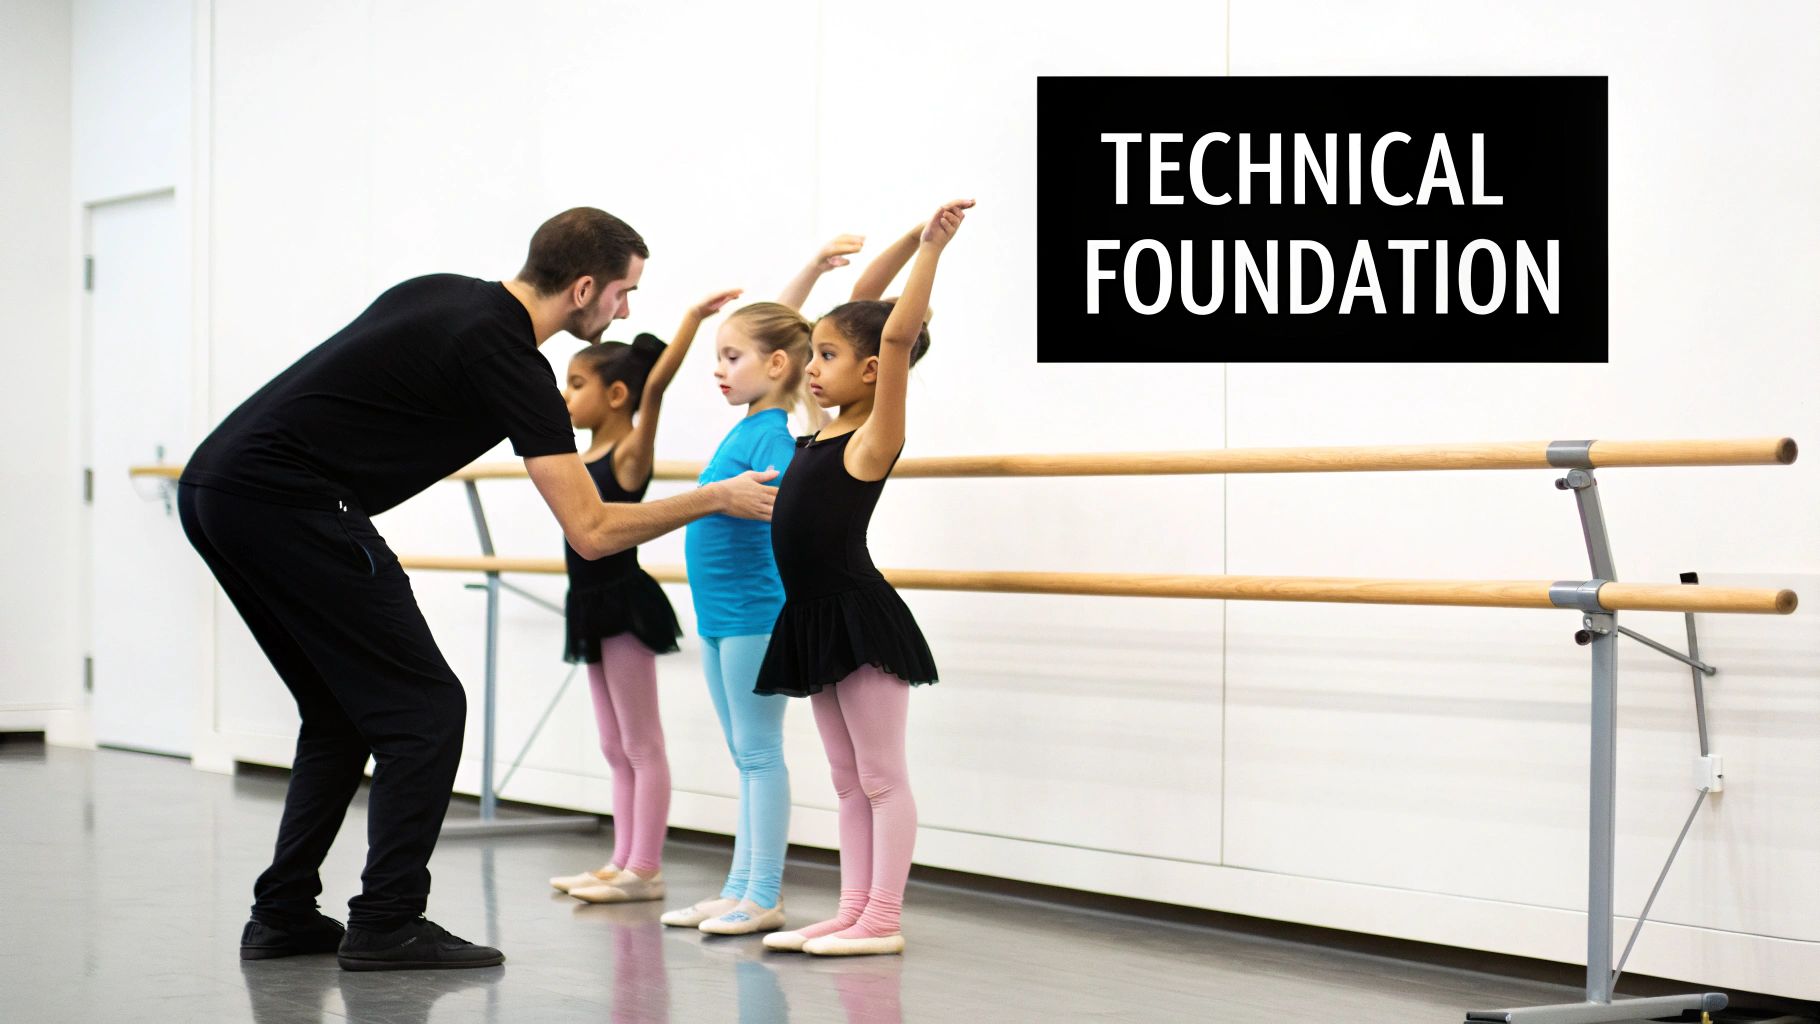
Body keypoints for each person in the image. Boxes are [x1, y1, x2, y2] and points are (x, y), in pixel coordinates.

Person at [178, 207, 777, 971]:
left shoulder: (440, 293)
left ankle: (284, 914)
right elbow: (592, 529)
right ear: (585, 287)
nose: (626, 310)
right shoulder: (511, 358)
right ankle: (387, 922)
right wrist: (714, 496)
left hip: (216, 487)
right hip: (287, 500)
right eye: (623, 293)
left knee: (340, 712)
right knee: (426, 710)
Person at [755, 200, 973, 957]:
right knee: (846, 781)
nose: (810, 369)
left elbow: (893, 331)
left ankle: (883, 917)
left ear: (875, 372)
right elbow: (858, 317)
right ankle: (851, 910)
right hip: (812, 616)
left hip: (859, 616)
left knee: (881, 777)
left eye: (824, 357)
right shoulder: (817, 432)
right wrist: (907, 234)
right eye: (810, 354)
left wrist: (932, 250)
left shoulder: (873, 436)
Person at [658, 235, 865, 937]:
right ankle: (739, 886)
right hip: (720, 611)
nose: (718, 369)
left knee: (758, 753)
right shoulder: (751, 421)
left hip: (753, 611)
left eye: (730, 357)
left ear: (777, 366)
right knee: (743, 754)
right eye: (717, 356)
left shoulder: (777, 431)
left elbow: (789, 518)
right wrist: (807, 271)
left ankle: (764, 893)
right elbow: (782, 332)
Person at [547, 289, 743, 905]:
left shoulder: (630, 453)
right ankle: (622, 860)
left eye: (575, 384)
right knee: (612, 743)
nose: (565, 396)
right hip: (589, 602)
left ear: (615, 396)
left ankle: (646, 867)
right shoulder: (582, 454)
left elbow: (655, 389)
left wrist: (689, 321)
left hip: (625, 601)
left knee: (640, 741)